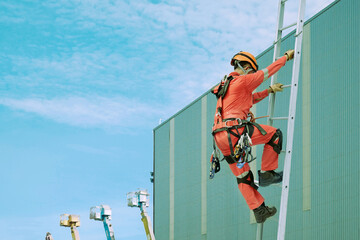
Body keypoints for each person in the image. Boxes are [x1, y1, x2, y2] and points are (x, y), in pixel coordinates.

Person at [211, 50, 294, 223]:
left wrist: (269, 90)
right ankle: (266, 174)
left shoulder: (227, 85)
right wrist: (286, 57)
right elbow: (268, 71)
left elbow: (250, 99)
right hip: (235, 133)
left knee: (243, 176)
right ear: (247, 67)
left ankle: (259, 210)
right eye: (251, 71)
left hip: (221, 139)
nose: (252, 75)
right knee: (274, 135)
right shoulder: (243, 80)